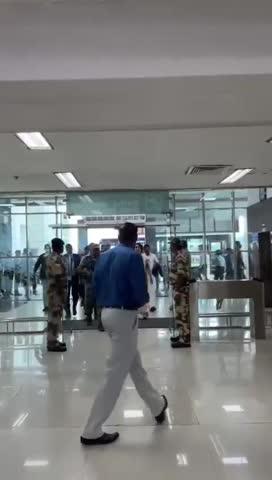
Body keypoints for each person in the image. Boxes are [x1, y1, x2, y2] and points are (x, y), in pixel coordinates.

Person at [81, 222, 168, 446]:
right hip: (123, 315)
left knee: (133, 364)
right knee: (115, 374)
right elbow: (138, 289)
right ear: (135, 239)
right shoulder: (132, 257)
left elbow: (96, 284)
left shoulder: (105, 256)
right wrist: (144, 307)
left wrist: (98, 312)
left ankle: (157, 405)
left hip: (107, 312)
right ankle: (91, 430)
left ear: (119, 237)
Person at [46, 238, 67, 352]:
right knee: (54, 318)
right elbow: (58, 276)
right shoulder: (54, 258)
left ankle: (54, 339)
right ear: (58, 247)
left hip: (57, 292)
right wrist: (61, 293)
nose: (63, 248)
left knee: (56, 317)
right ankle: (51, 343)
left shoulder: (56, 257)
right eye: (62, 246)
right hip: (56, 293)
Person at [170, 238, 191, 348]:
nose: (170, 247)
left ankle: (185, 339)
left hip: (181, 290)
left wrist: (177, 291)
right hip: (179, 289)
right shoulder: (177, 256)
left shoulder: (179, 257)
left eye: (171, 245)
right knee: (180, 315)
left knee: (183, 315)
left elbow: (181, 275)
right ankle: (182, 335)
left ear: (175, 246)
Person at [78, 244, 103, 330]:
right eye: (95, 249)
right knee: (89, 303)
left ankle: (100, 323)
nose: (97, 251)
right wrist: (87, 272)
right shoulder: (86, 259)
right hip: (89, 284)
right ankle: (88, 317)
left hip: (100, 285)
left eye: (98, 249)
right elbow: (79, 269)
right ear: (91, 250)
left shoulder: (102, 258)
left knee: (100, 304)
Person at [63, 244, 81, 317]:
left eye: (70, 247)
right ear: (66, 249)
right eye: (67, 248)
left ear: (72, 248)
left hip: (74, 277)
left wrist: (78, 270)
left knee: (75, 294)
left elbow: (80, 265)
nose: (69, 249)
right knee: (66, 295)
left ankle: (74, 307)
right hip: (66, 278)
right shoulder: (63, 257)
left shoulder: (76, 256)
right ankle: (67, 310)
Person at [34, 244, 51, 312]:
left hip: (51, 276)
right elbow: (37, 264)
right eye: (46, 248)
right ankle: (46, 306)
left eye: (48, 248)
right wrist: (34, 271)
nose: (47, 249)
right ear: (44, 249)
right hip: (44, 276)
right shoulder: (42, 256)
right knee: (45, 291)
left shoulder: (53, 256)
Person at [142, 244, 159, 312]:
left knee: (152, 291)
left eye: (148, 249)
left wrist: (155, 266)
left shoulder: (153, 255)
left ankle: (152, 306)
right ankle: (147, 306)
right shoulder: (142, 256)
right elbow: (145, 267)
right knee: (147, 292)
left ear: (149, 249)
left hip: (152, 276)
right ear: (144, 250)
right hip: (144, 276)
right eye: (145, 249)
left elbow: (157, 263)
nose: (147, 250)